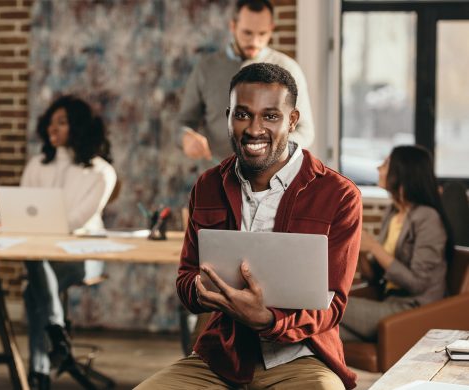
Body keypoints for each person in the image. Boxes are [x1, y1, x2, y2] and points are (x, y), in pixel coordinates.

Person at [137, 63, 362, 390]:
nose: (254, 128)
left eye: (270, 116)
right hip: (221, 357)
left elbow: (333, 305)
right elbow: (186, 279)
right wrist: (201, 291)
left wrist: (269, 320)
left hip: (300, 357)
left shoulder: (338, 196)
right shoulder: (208, 185)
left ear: (292, 121)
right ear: (228, 116)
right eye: (242, 115)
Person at [20, 95, 117, 390]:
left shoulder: (101, 171)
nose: (53, 128)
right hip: (43, 253)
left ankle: (39, 370)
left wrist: (38, 225)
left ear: (78, 127)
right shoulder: (37, 165)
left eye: (61, 122)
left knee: (32, 293)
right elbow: (24, 208)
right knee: (36, 261)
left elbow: (77, 220)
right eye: (51, 122)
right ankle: (56, 335)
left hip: (85, 254)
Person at [340, 146, 453, 342]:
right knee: (314, 333)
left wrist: (374, 247)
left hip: (411, 311)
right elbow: (374, 277)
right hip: (388, 302)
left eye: (384, 164)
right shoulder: (393, 213)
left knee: (324, 305)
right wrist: (358, 247)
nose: (378, 168)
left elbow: (418, 284)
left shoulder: (428, 218)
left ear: (402, 172)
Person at [177, 0, 314, 162]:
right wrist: (184, 137)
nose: (255, 41)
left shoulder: (289, 69)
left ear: (271, 29)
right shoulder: (206, 68)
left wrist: (268, 151)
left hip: (272, 183)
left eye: (262, 34)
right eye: (247, 33)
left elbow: (305, 132)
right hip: (217, 177)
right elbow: (183, 122)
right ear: (233, 27)